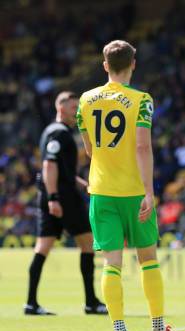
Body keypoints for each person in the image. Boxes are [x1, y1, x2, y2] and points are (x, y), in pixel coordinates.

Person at [76, 40, 183, 331]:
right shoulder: (142, 100)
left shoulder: (85, 100)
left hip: (102, 191)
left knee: (112, 263)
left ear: (105, 65)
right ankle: (159, 328)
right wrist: (149, 192)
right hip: (135, 192)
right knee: (148, 259)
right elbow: (142, 146)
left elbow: (88, 148)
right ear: (133, 64)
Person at [25, 91, 107, 316]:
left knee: (43, 247)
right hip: (62, 198)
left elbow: (63, 171)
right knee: (87, 243)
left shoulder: (50, 132)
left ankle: (31, 303)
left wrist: (83, 184)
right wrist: (54, 198)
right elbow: (49, 166)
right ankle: (91, 302)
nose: (77, 113)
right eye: (73, 109)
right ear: (61, 108)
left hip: (53, 195)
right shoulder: (60, 134)